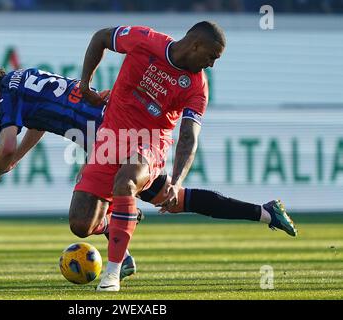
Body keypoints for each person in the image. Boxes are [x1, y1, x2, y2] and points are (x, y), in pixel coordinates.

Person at [0, 62, 297, 289]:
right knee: (174, 200)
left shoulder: (7, 96)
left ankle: (119, 237)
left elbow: (7, 143)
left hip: (109, 133)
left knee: (84, 221)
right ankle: (266, 211)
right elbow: (37, 123)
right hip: (111, 124)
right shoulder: (25, 77)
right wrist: (16, 161)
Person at [71, 21, 295, 292]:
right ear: (196, 45)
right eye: (212, 56)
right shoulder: (145, 40)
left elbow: (189, 136)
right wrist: (85, 83)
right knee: (81, 225)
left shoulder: (197, 86)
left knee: (127, 181)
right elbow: (101, 37)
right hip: (111, 139)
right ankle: (265, 212)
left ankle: (112, 274)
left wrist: (176, 181)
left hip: (149, 144)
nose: (212, 64)